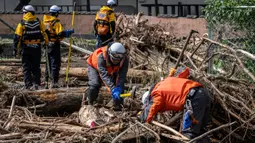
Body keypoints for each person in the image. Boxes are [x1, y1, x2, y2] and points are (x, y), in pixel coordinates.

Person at [140, 67, 212, 140]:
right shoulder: (165, 81)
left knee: (188, 135)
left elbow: (150, 111)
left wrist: (141, 117)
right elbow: (184, 71)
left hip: (194, 98)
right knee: (201, 132)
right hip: (204, 93)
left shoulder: (156, 94)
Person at [13, 5, 49, 90]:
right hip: (37, 48)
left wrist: (15, 49)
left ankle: (28, 85)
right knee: (36, 67)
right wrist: (46, 43)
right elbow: (45, 33)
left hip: (26, 48)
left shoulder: (21, 24)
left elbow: (17, 38)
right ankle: (37, 83)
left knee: (26, 68)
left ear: (26, 13)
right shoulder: (39, 22)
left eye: (23, 13)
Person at [86, 42, 129, 110]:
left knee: (119, 86)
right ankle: (89, 103)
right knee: (95, 84)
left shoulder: (124, 60)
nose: (116, 61)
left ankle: (118, 107)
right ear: (110, 54)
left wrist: (119, 87)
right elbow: (104, 75)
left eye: (119, 58)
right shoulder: (101, 57)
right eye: (114, 58)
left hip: (111, 69)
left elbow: (122, 76)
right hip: (94, 67)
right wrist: (112, 89)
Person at [43, 5, 74, 88]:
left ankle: (46, 81)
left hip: (47, 45)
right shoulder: (56, 23)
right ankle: (54, 82)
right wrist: (68, 32)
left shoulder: (45, 22)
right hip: (54, 45)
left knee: (48, 64)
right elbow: (60, 33)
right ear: (56, 13)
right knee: (55, 64)